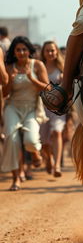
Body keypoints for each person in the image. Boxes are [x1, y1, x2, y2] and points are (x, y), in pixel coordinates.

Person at [1, 36, 49, 191]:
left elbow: (48, 89)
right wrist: (10, 80)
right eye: (18, 50)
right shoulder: (10, 67)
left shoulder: (38, 65)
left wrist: (31, 79)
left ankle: (35, 152)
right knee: (12, 140)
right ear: (14, 52)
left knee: (31, 141)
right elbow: (4, 94)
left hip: (32, 108)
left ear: (29, 50)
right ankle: (16, 179)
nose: (21, 52)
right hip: (12, 107)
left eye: (24, 49)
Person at [40, 41, 66, 177]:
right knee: (43, 140)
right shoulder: (39, 67)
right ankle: (48, 158)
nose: (50, 53)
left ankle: (57, 165)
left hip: (58, 108)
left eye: (52, 50)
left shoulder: (63, 68)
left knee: (57, 132)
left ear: (56, 52)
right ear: (43, 53)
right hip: (41, 107)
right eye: (47, 51)